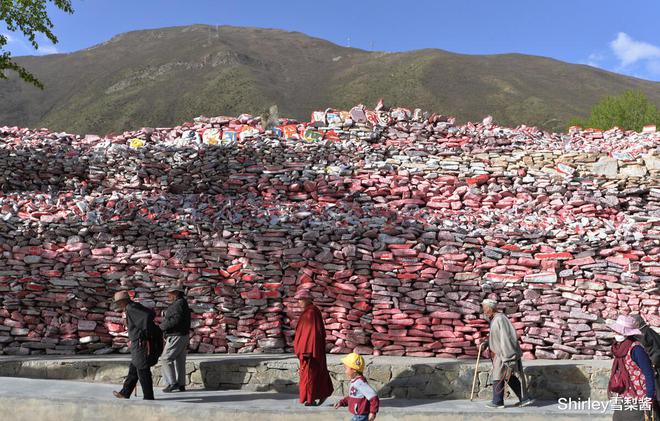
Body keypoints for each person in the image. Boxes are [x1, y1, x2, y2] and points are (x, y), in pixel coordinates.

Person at [481, 298, 533, 409]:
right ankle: (524, 399)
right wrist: (486, 343)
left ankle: (497, 402)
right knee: (508, 376)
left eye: (485, 308)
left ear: (490, 308)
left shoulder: (501, 319)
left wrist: (509, 357)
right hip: (500, 353)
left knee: (498, 375)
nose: (484, 311)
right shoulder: (495, 319)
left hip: (505, 353)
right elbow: (496, 336)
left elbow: (508, 338)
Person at [606, 315, 657, 421]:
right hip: (624, 393)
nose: (615, 334)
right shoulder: (619, 348)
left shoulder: (636, 349)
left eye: (618, 332)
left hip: (639, 395)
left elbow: (648, 372)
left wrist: (649, 396)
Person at [112, 290, 157, 400]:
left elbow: (147, 317)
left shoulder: (131, 308)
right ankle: (125, 392)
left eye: (118, 302)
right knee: (134, 368)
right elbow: (150, 314)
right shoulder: (133, 306)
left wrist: (143, 333)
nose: (118, 305)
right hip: (138, 343)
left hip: (140, 343)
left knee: (142, 370)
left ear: (123, 301)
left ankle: (148, 396)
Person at [293, 289, 334, 406]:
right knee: (309, 374)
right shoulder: (309, 311)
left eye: (301, 299)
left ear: (308, 300)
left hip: (310, 351)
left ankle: (311, 399)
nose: (299, 302)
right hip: (308, 350)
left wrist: (307, 350)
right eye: (298, 300)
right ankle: (311, 398)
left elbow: (312, 333)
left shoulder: (311, 312)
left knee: (311, 375)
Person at [160, 284, 192, 393]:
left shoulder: (178, 304)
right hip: (182, 335)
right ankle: (181, 384)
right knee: (180, 359)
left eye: (171, 293)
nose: (169, 295)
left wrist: (162, 327)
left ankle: (172, 383)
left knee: (166, 358)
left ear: (177, 293)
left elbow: (175, 320)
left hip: (176, 335)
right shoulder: (181, 303)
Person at [334, 352, 380, 421]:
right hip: (359, 415)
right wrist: (342, 402)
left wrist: (373, 412)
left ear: (354, 370)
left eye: (346, 368)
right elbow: (353, 396)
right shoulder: (356, 381)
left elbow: (373, 397)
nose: (345, 370)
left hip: (361, 416)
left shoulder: (360, 383)